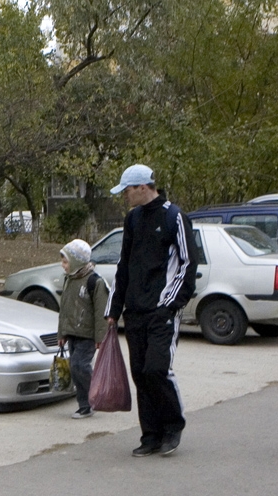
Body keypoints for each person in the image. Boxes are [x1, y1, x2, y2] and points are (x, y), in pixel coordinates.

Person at [105, 164, 197, 457]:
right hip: (135, 311)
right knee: (140, 374)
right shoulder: (132, 219)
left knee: (157, 369)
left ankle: (172, 427)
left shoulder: (175, 217)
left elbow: (187, 264)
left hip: (162, 310)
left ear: (143, 187)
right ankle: (150, 435)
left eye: (127, 191)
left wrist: (170, 304)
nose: (125, 197)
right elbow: (124, 266)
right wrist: (114, 308)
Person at [57, 239, 110, 419]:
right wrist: (61, 333)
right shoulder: (69, 280)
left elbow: (101, 312)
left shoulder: (95, 281)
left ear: (77, 261)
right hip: (72, 333)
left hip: (87, 335)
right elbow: (64, 309)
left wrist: (100, 338)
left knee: (80, 365)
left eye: (65, 261)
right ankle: (85, 405)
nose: (62, 265)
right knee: (75, 368)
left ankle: (96, 392)